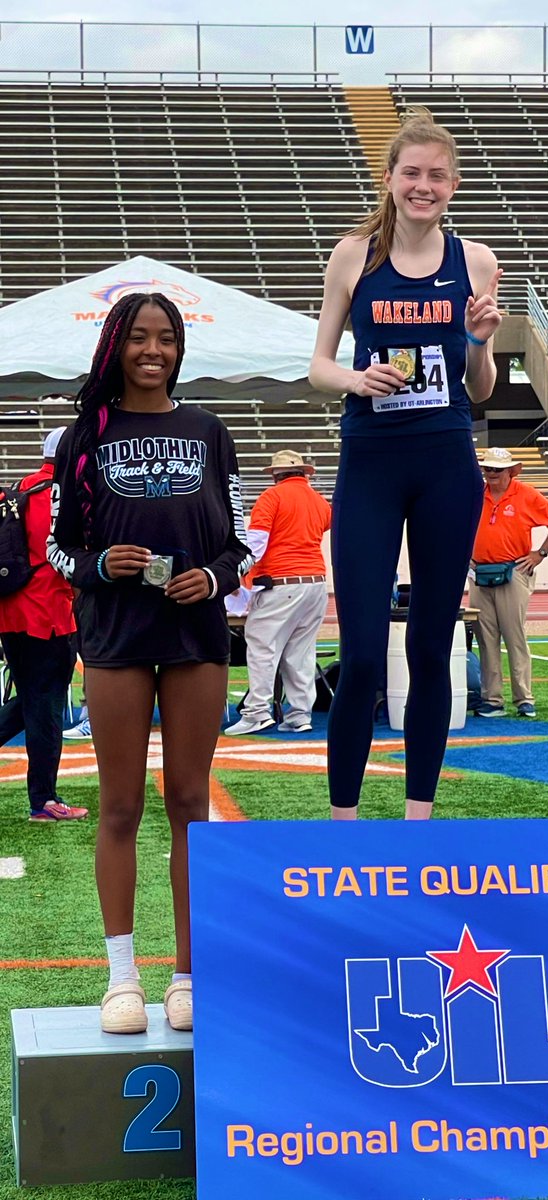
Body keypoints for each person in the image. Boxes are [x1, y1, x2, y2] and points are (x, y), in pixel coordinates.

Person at [47, 292, 253, 1035]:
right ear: (115, 345)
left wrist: (217, 578)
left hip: (196, 635)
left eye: (166, 338)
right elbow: (58, 548)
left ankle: (187, 975)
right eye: (139, 338)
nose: (153, 350)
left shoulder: (208, 430)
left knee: (188, 805)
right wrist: (101, 563)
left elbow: (240, 542)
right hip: (114, 637)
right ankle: (121, 977)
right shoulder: (82, 437)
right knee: (121, 805)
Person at [308, 107, 501, 821]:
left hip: (446, 461)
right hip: (370, 461)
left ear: (453, 185)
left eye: (437, 176)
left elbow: (478, 391)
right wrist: (356, 380)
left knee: (429, 646)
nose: (423, 186)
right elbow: (318, 365)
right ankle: (344, 823)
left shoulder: (474, 261)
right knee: (360, 653)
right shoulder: (352, 256)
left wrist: (480, 342)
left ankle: (418, 823)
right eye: (411, 173)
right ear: (389, 179)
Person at [0, 428, 87, 822]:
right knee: (46, 707)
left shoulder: (15, 490)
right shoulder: (62, 494)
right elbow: (72, 560)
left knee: (32, 701)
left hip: (11, 610)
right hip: (48, 613)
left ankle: (44, 797)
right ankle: (44, 800)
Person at [225, 448, 331, 736]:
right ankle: (299, 714)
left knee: (262, 648)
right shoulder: (320, 502)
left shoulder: (271, 497)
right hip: (316, 583)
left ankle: (257, 711)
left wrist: (236, 576)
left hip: (280, 582)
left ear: (275, 475)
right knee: (301, 652)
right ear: (303, 473)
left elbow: (256, 544)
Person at [469, 446, 548, 719]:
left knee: (515, 637)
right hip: (480, 573)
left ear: (511, 471)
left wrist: (540, 554)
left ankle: (524, 697)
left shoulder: (526, 495)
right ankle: (492, 699)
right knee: (485, 639)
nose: (491, 474)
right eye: (488, 469)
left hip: (513, 571)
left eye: (497, 470)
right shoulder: (477, 494)